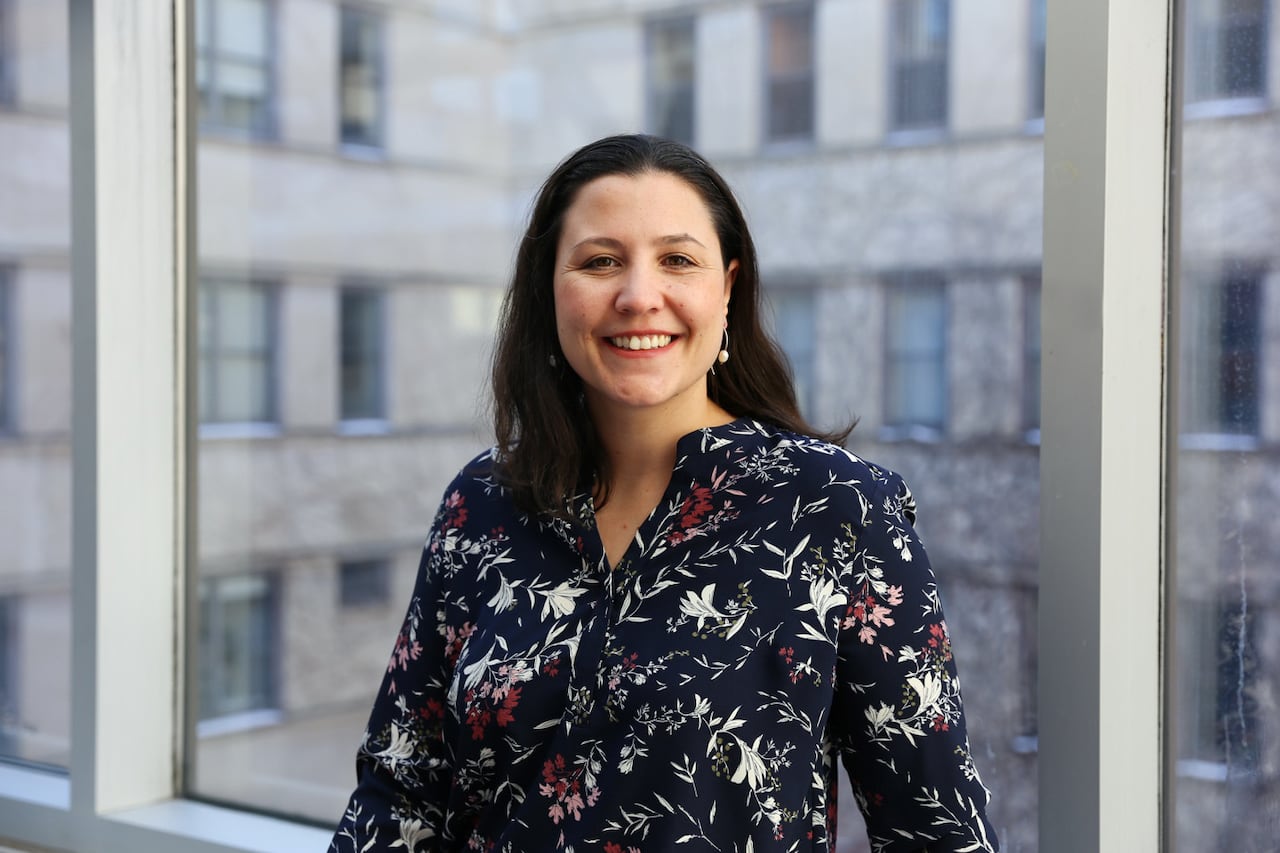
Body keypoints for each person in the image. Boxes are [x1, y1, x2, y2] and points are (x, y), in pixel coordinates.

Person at [329, 134, 998, 852]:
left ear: (728, 288)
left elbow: (937, 826)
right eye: (600, 261)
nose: (639, 295)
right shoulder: (483, 502)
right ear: (550, 289)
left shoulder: (837, 507)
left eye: (677, 259)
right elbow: (398, 792)